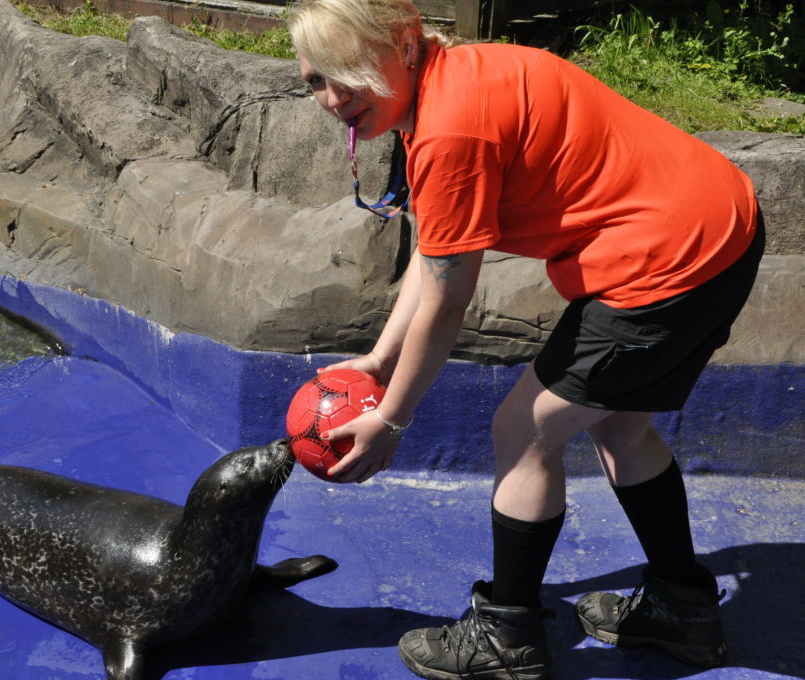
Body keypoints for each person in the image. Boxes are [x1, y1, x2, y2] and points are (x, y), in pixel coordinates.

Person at [287, 0, 765, 678]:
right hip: (712, 223)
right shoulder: (452, 78)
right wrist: (379, 357)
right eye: (314, 79)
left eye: (347, 72)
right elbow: (436, 254)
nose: (332, 98)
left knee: (524, 432)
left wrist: (391, 418)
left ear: (403, 42)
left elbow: (449, 301)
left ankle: (505, 639)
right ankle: (682, 610)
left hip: (669, 259)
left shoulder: (452, 131)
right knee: (620, 428)